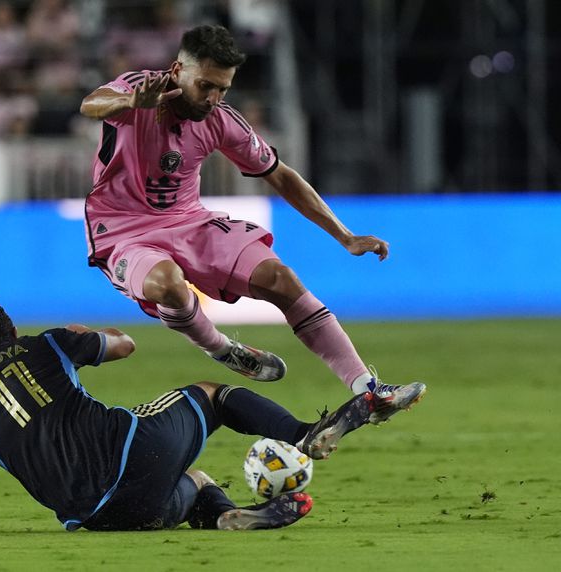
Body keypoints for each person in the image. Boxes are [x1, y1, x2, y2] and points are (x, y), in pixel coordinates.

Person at [79, 24, 425, 424]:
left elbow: (280, 175)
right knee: (166, 284)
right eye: (205, 85)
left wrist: (344, 236)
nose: (213, 98)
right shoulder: (141, 88)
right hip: (122, 230)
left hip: (189, 221)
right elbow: (92, 103)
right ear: (177, 70)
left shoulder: (222, 121)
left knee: (282, 279)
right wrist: (127, 101)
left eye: (222, 89)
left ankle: (369, 391)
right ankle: (220, 347)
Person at [0, 301, 384, 534]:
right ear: (12, 332)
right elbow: (125, 345)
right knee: (211, 393)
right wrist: (88, 332)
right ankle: (305, 434)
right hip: (130, 453)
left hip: (94, 517)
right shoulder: (46, 344)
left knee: (193, 479)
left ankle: (225, 514)